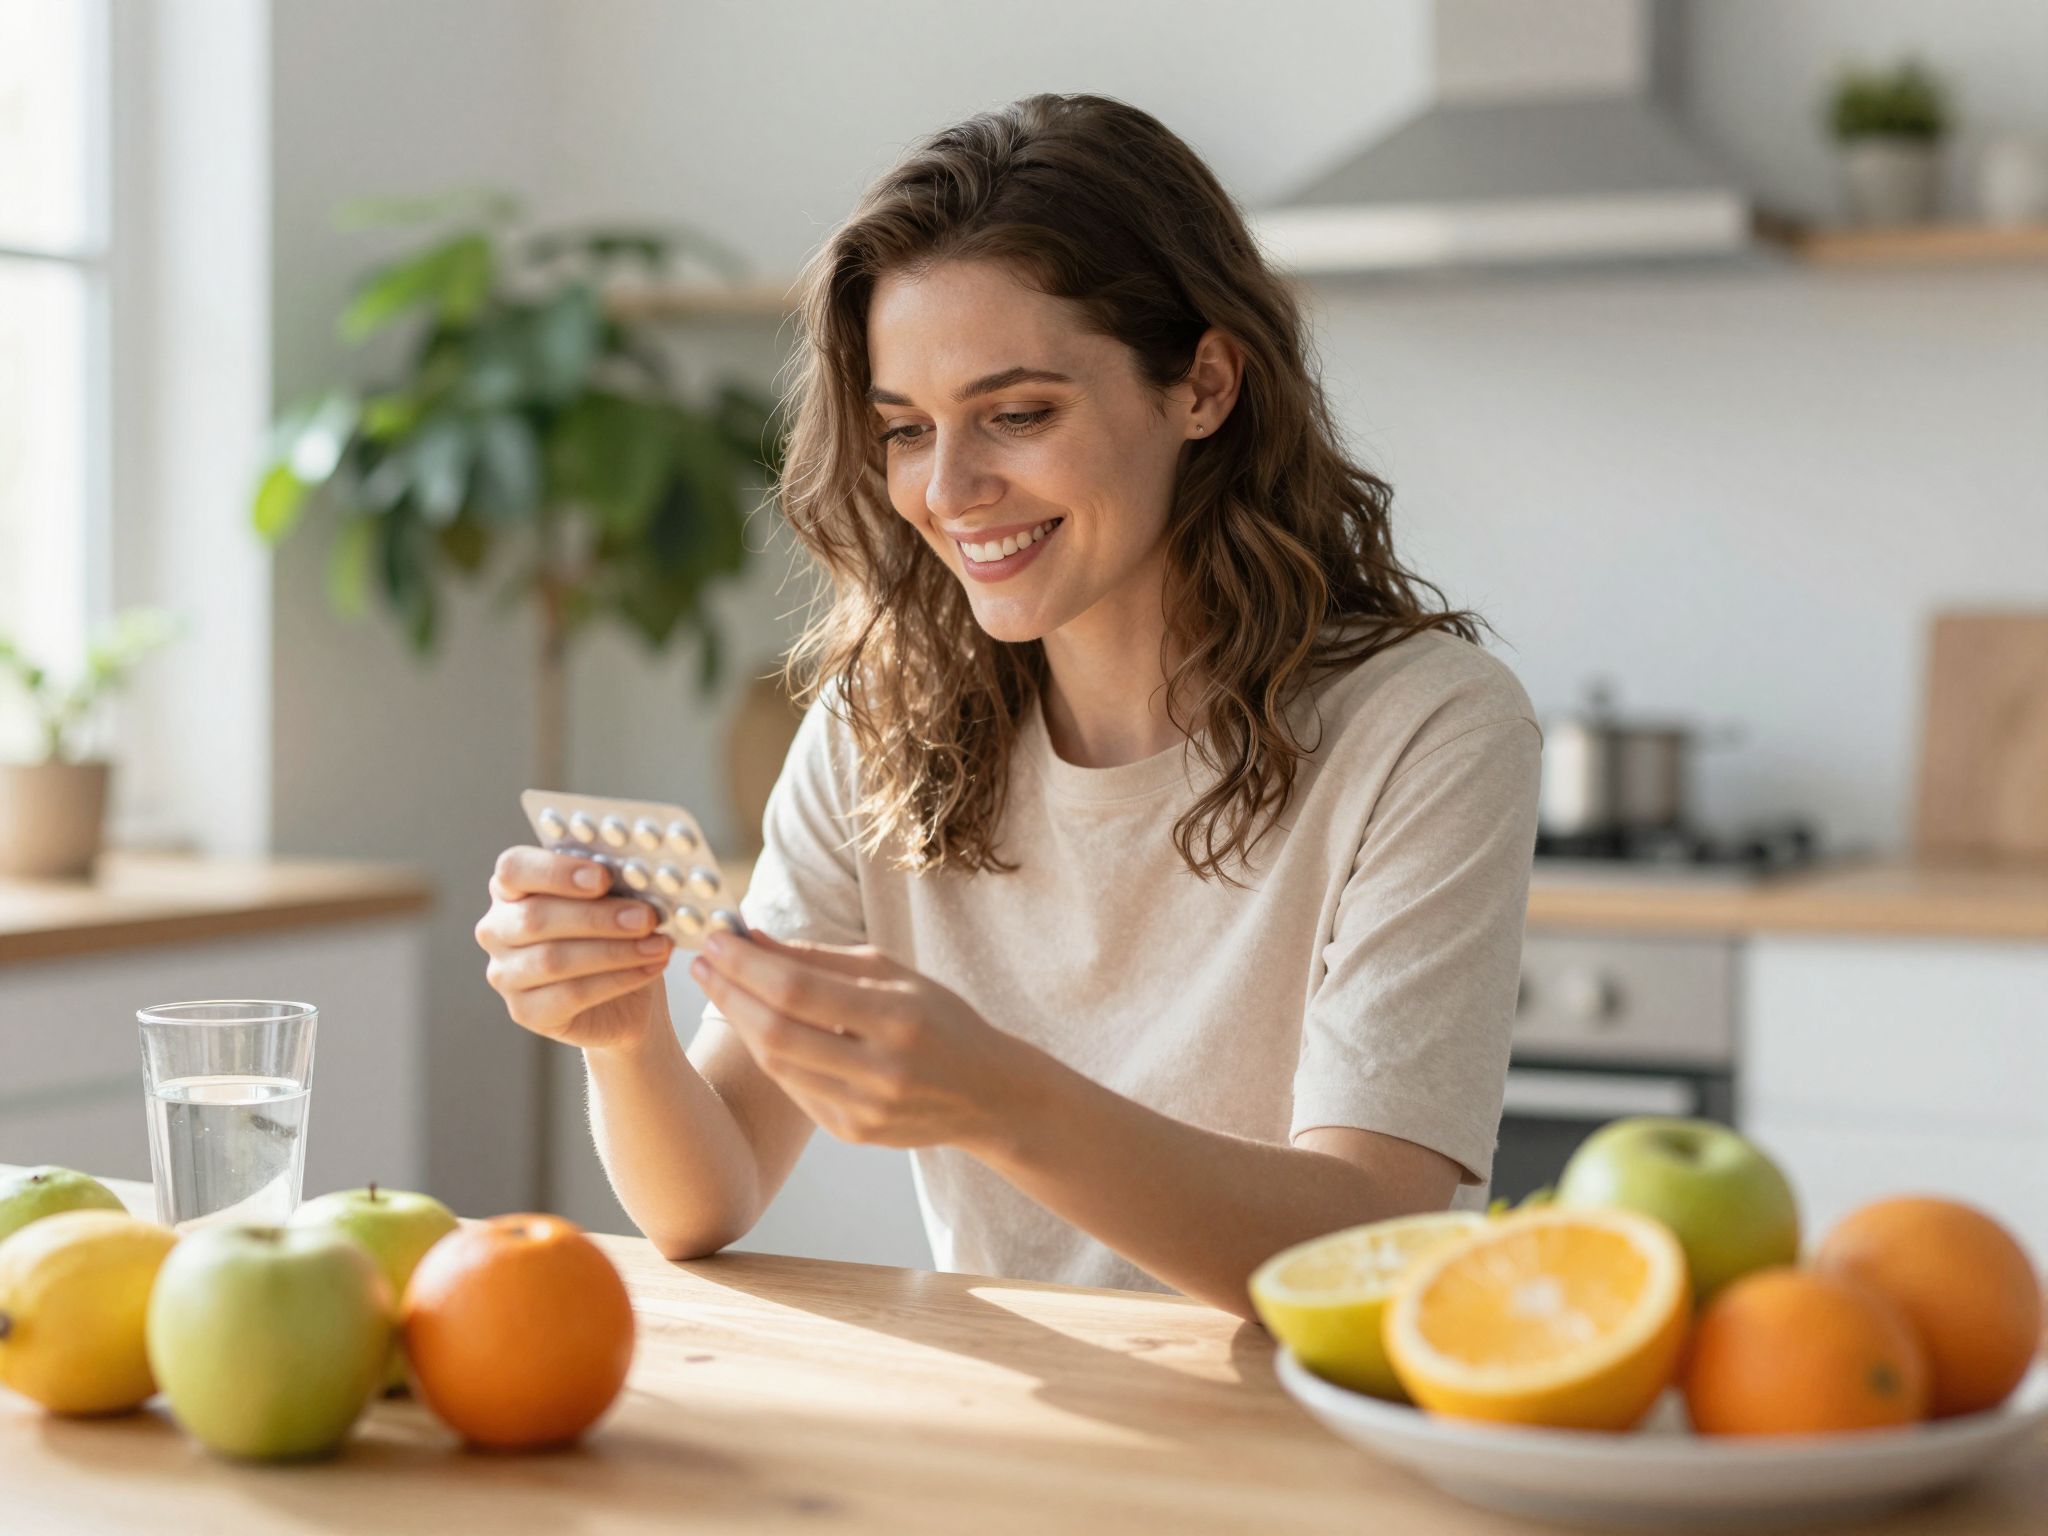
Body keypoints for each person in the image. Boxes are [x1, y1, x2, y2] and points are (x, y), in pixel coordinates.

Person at [475, 93, 1541, 1320]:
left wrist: (1001, 1099)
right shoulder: (882, 718)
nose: (948, 489)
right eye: (904, 430)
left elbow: (1367, 1241)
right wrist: (624, 1037)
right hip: (1023, 1422)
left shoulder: (1426, 729)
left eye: (1017, 415)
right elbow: (704, 1198)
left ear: (1202, 385)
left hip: (1300, 1423)